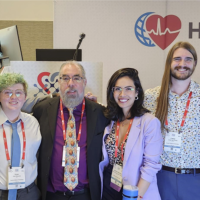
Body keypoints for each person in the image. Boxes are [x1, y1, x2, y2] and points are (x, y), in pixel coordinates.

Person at [32, 61, 109, 200]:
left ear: (84, 82)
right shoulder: (42, 110)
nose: (71, 83)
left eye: (76, 78)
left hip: (86, 194)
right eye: (65, 78)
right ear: (58, 81)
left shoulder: (100, 114)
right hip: (51, 195)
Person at [144, 41, 200, 200]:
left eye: (188, 59)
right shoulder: (150, 97)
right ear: (169, 62)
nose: (183, 64)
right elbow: (124, 110)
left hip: (195, 180)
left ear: (195, 63)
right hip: (160, 178)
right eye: (177, 59)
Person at [99, 68, 163, 200]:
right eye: (118, 89)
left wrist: (136, 197)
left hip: (135, 188)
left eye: (129, 88)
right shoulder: (111, 120)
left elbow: (150, 166)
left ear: (137, 92)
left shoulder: (149, 122)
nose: (123, 94)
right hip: (108, 184)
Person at [0, 73, 41, 200]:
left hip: (29, 193)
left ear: (25, 97)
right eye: (7, 92)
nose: (13, 97)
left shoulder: (33, 122)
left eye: (19, 92)